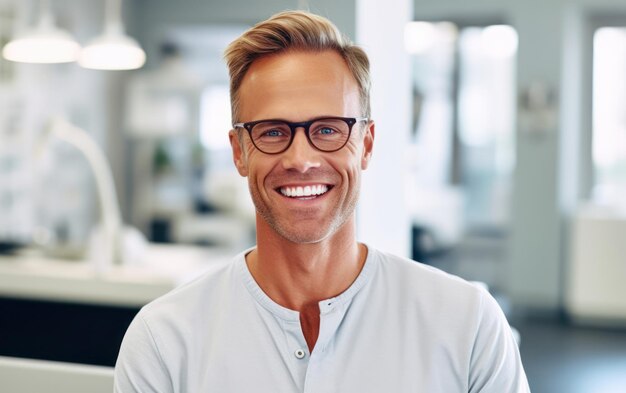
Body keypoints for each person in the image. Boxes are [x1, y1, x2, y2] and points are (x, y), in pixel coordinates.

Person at [114, 10, 530, 392]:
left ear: (365, 145)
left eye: (328, 130)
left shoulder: (468, 325)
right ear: (240, 151)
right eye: (273, 131)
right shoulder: (163, 341)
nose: (301, 160)